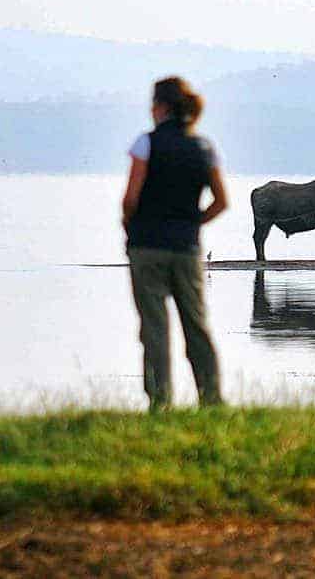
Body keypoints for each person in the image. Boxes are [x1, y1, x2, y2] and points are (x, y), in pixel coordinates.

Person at [122, 77, 228, 411]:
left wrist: (131, 226)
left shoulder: (146, 144)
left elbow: (130, 199)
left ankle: (160, 401)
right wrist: (194, 223)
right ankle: (211, 398)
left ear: (162, 107)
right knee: (196, 324)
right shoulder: (205, 148)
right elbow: (221, 202)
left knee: (154, 328)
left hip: (147, 246)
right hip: (187, 248)